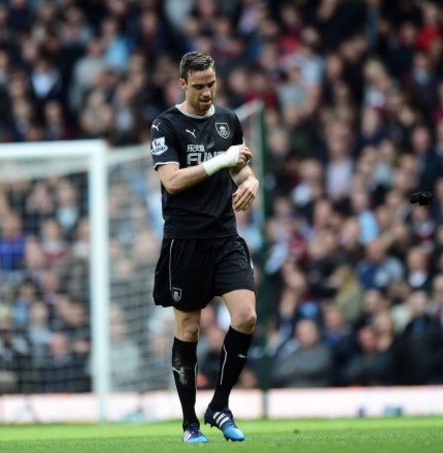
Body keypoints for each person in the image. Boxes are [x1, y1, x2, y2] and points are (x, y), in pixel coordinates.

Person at [149, 51, 258, 444]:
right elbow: (173, 182)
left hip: (225, 237)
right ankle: (189, 423)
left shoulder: (228, 121)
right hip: (185, 240)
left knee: (245, 316)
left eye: (211, 83)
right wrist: (220, 162)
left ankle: (220, 406)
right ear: (182, 84)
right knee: (189, 328)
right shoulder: (166, 125)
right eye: (199, 86)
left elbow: (239, 166)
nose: (207, 92)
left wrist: (251, 181)